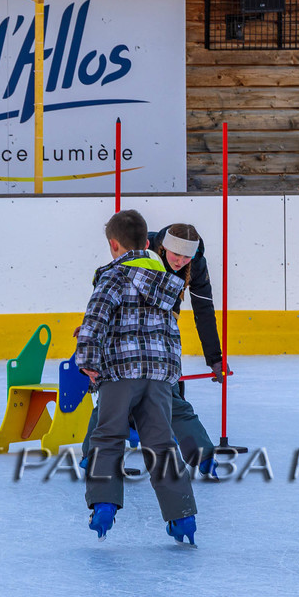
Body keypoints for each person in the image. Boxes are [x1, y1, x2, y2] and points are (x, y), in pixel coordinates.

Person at [77, 209, 198, 545]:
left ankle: (103, 505)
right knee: (161, 444)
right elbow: (168, 330)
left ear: (114, 245)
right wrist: (171, 372)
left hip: (120, 373)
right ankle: (183, 516)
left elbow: (94, 321)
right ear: (147, 243)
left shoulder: (112, 278)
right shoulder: (165, 281)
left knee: (108, 437)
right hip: (159, 376)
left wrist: (87, 360)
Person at [80, 222, 224, 478]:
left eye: (186, 257)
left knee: (165, 398)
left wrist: (214, 358)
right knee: (119, 395)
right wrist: (91, 328)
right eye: (175, 255)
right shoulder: (142, 252)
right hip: (128, 331)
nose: (180, 262)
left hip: (158, 337)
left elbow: (204, 310)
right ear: (162, 247)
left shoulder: (196, 264)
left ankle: (203, 456)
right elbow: (107, 294)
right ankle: (93, 453)